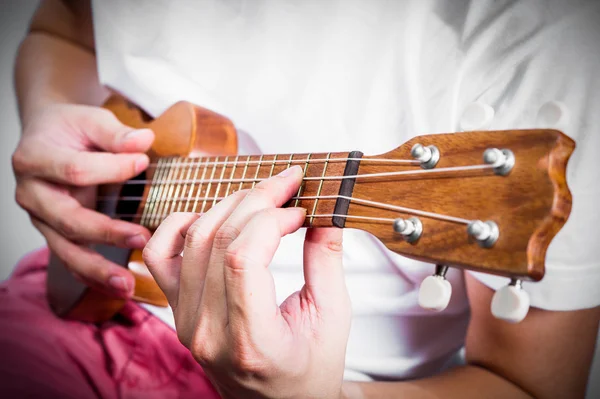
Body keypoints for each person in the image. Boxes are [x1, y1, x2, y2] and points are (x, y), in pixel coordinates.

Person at [2, 0, 599, 397]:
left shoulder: (543, 46)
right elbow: (61, 26)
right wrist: (48, 113)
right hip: (84, 294)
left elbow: (523, 386)